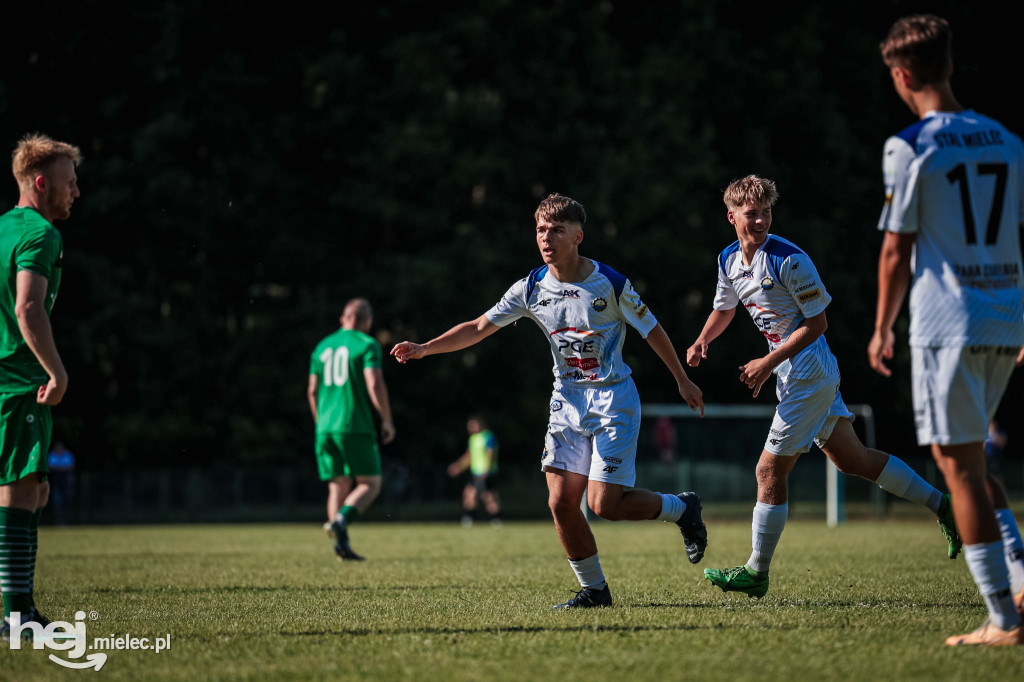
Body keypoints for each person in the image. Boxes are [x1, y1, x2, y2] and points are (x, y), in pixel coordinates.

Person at [391, 193, 709, 609]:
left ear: (578, 237)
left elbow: (652, 330)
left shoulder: (610, 284)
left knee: (603, 505)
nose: (546, 237)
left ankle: (681, 509)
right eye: (541, 229)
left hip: (613, 399)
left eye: (556, 230)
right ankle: (595, 591)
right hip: (567, 401)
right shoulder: (531, 287)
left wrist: (682, 380)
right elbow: (477, 327)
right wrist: (424, 348)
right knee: (560, 503)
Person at [687, 175, 961, 601]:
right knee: (854, 460)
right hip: (794, 373)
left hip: (808, 372)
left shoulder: (790, 260)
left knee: (768, 471)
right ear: (731, 216)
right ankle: (942, 504)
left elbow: (817, 325)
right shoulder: (727, 260)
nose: (760, 220)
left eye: (766, 212)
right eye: (751, 213)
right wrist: (704, 338)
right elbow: (723, 309)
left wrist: (766, 362)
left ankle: (756, 572)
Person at [869, 14, 1024, 646]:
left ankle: (1002, 620)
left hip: (946, 322)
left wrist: (882, 327)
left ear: (903, 76)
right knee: (971, 460)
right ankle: (1017, 578)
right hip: (1003, 314)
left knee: (957, 467)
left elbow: (894, 250)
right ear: (950, 66)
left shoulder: (908, 145)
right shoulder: (1008, 140)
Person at [1, 134, 80, 644]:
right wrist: (56, 371)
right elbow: (28, 308)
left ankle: (21, 609)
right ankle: (16, 616)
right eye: (70, 183)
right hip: (16, 379)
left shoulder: (3, 227)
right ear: (41, 183)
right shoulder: (40, 233)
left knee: (29, 490)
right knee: (19, 489)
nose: (76, 192)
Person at [308, 298, 396, 562]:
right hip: (354, 424)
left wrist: (320, 423)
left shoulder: (322, 346)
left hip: (324, 428)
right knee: (371, 483)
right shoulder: (367, 344)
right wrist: (387, 419)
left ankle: (340, 546)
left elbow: (312, 391)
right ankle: (341, 521)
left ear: (342, 318)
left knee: (338, 486)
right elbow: (374, 384)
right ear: (367, 322)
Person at [984, 422, 1024, 595]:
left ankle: (1020, 578)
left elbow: (1002, 442)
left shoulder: (998, 431)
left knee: (982, 483)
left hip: (991, 461)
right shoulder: (986, 430)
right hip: (985, 460)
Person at [447, 415, 502, 527]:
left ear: (480, 424)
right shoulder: (472, 439)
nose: (471, 428)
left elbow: (490, 454)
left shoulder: (488, 436)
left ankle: (496, 519)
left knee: (488, 497)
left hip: (486, 472)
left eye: (473, 425)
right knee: (468, 494)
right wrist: (458, 466)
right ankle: (469, 518)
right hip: (475, 472)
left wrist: (487, 470)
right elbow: (469, 456)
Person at [46, 440, 75, 526]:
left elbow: (71, 467)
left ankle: (66, 520)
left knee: (67, 502)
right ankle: (58, 521)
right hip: (55, 483)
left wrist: (57, 468)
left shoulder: (68, 455)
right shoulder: (52, 455)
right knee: (57, 503)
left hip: (66, 483)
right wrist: (63, 468)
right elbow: (50, 467)